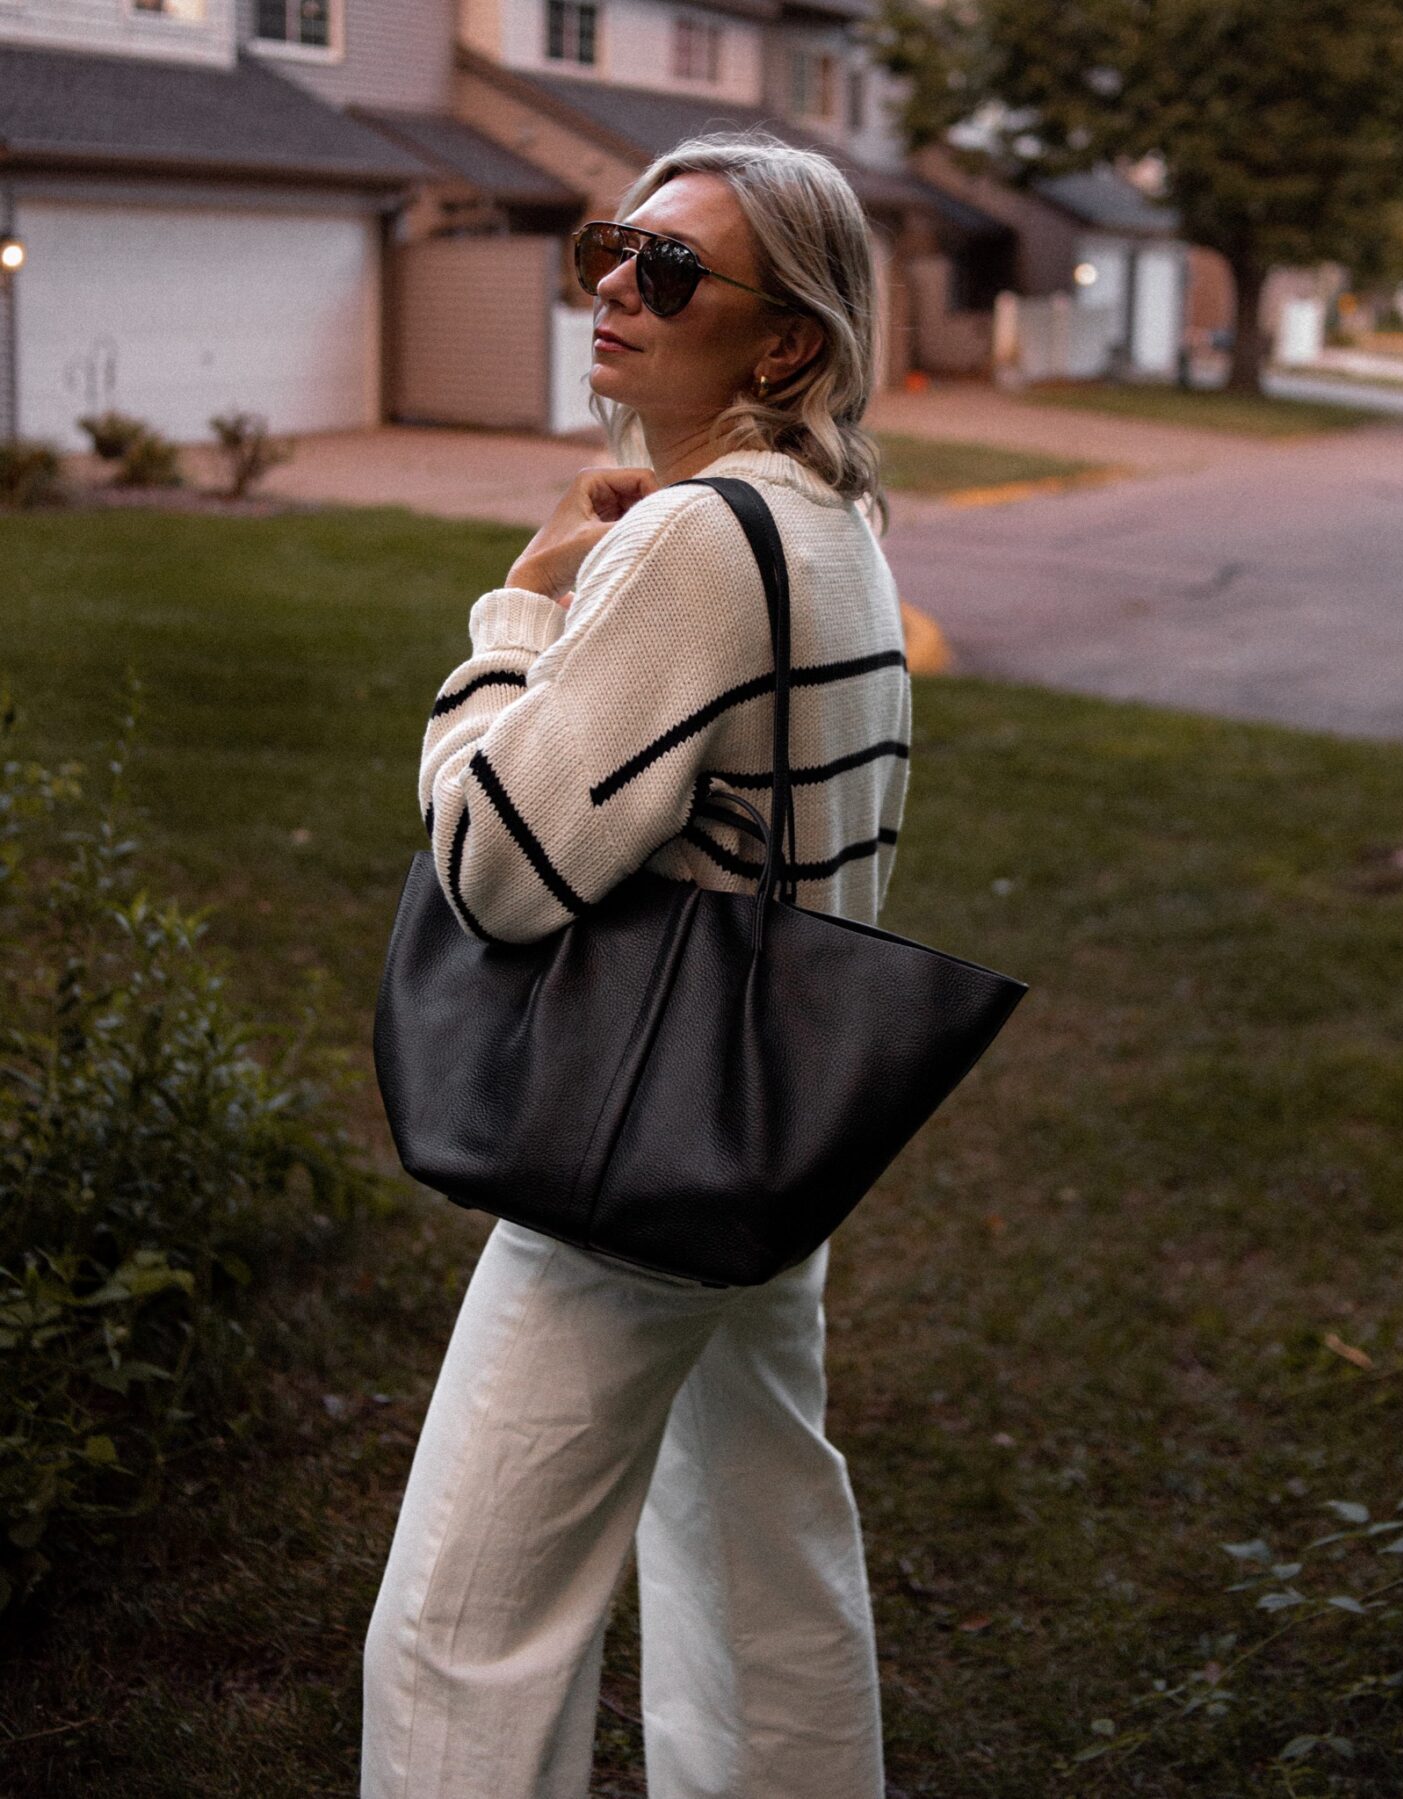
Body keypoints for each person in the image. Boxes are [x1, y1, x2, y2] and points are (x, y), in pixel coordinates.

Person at [361, 131, 912, 1799]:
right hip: (769, 1120)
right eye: (614, 245)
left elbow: (500, 868)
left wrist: (516, 614)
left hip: (630, 1149)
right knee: (760, 1560)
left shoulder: (690, 540)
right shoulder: (830, 522)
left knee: (464, 1628)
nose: (614, 284)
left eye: (669, 269)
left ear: (784, 343)